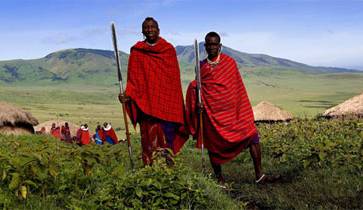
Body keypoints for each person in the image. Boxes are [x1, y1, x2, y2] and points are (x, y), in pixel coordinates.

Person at [184, 32, 280, 185]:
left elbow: (237, 90)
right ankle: (220, 180)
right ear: (204, 46)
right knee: (213, 146)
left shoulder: (229, 63)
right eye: (209, 44)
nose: (212, 47)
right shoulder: (200, 66)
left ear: (220, 46)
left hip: (232, 114)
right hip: (211, 114)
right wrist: (198, 104)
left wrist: (238, 110)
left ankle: (259, 176)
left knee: (252, 134)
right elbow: (198, 88)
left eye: (215, 44)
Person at [119, 17, 188, 166]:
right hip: (145, 107)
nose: (149, 30)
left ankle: (169, 173)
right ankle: (149, 172)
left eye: (152, 27)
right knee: (148, 142)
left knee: (167, 143)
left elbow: (173, 83)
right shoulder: (137, 51)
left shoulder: (168, 50)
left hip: (166, 107)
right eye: (146, 28)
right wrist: (127, 95)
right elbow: (133, 80)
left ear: (159, 30)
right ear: (142, 31)